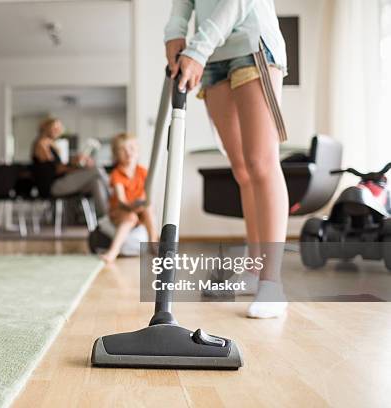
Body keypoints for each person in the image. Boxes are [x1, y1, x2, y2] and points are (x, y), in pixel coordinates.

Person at [165, 0, 289, 318]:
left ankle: (272, 284)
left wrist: (198, 48)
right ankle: (251, 271)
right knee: (242, 170)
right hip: (213, 54)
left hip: (251, 43)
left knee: (261, 163)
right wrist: (174, 33)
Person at [31, 118, 109, 217]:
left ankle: (107, 217)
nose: (58, 130)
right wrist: (76, 164)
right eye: (55, 127)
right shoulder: (41, 144)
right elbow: (56, 168)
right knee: (96, 170)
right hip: (52, 185)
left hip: (61, 182)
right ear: (46, 128)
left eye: (59, 127)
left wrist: (79, 164)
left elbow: (62, 167)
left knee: (96, 182)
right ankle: (115, 194)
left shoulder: (53, 145)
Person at [101, 133, 158, 263]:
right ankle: (113, 251)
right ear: (116, 155)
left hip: (138, 209)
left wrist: (142, 206)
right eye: (123, 149)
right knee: (130, 217)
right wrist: (133, 208)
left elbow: (146, 196)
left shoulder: (142, 172)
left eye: (131, 148)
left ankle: (153, 244)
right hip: (120, 211)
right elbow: (121, 201)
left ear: (137, 151)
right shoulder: (116, 174)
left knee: (148, 208)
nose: (128, 152)